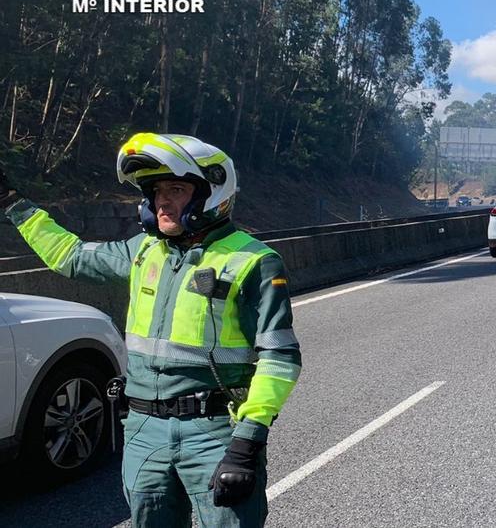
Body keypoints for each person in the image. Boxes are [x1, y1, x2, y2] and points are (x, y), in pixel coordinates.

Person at [0, 133, 301, 527]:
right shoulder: (142, 250)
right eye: (157, 190)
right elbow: (70, 256)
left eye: (175, 188)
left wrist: (248, 440)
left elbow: (279, 358)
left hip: (213, 433)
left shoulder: (254, 261)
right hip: (143, 431)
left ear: (212, 191)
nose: (161, 200)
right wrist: (13, 204)